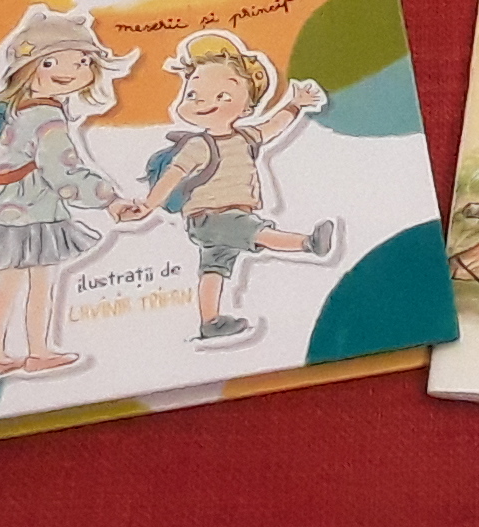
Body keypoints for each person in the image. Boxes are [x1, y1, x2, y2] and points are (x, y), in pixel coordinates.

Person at [0, 8, 139, 380]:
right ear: (26, 66)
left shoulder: (15, 109)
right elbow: (63, 172)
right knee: (40, 283)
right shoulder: (47, 117)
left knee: (6, 283)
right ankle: (38, 351)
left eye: (82, 61)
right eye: (50, 62)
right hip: (33, 211)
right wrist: (109, 200)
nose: (70, 70)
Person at [114, 31, 336, 344]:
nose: (206, 103)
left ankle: (210, 322)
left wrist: (295, 104)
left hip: (214, 220)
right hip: (214, 215)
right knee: (256, 232)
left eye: (223, 96)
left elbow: (274, 126)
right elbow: (173, 175)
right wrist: (149, 205)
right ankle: (307, 243)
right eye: (194, 95)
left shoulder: (246, 136)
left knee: (213, 268)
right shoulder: (197, 145)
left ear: (246, 107)